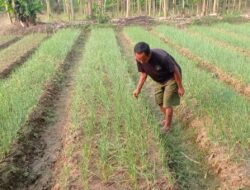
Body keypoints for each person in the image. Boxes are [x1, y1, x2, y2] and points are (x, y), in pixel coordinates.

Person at [133, 42, 184, 134]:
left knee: (167, 103)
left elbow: (175, 71)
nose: (141, 62)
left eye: (143, 59)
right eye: (138, 59)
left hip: (171, 78)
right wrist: (138, 89)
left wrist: (180, 87)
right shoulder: (139, 58)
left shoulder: (162, 57)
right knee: (159, 102)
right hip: (159, 80)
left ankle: (167, 127)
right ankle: (167, 119)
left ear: (149, 55)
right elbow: (144, 74)